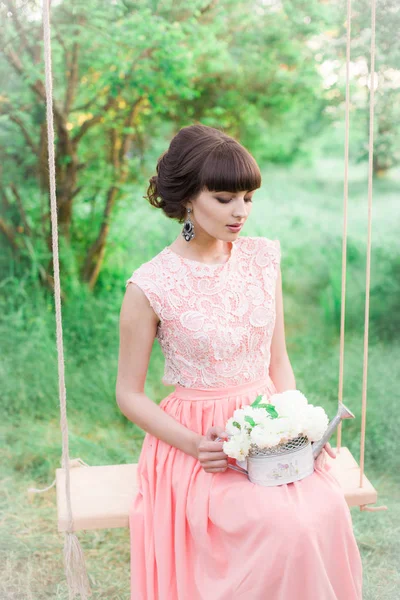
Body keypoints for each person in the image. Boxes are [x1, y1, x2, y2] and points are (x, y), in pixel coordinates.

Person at [116, 124, 363, 600]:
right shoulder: (150, 285)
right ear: (189, 198)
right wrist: (194, 444)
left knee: (325, 508)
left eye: (248, 198)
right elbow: (128, 393)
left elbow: (279, 359)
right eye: (225, 198)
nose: (240, 212)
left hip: (270, 422)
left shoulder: (262, 259)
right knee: (281, 529)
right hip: (200, 441)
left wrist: (298, 426)